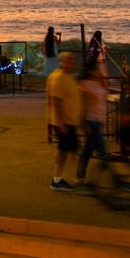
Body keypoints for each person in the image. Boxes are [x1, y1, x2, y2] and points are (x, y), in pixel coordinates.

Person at [47, 50, 82, 190]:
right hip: (63, 122)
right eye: (69, 60)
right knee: (64, 151)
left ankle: (77, 177)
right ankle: (57, 180)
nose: (72, 63)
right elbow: (56, 101)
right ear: (62, 62)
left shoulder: (68, 77)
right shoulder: (59, 77)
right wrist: (61, 123)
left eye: (73, 60)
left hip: (70, 121)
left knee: (71, 150)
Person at [76, 57, 108, 184]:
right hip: (91, 120)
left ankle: (80, 176)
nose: (99, 71)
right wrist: (84, 123)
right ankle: (112, 178)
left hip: (99, 119)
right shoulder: (83, 84)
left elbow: (104, 94)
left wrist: (102, 64)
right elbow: (81, 105)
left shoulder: (99, 82)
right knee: (102, 150)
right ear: (91, 71)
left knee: (88, 150)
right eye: (97, 69)